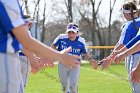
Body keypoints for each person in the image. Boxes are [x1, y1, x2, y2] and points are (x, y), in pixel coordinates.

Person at [0, 0, 81, 93]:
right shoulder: (8, 2)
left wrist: (33, 58)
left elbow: (20, 42)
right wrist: (60, 56)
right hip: (4, 60)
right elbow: (25, 41)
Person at [100, 1, 140, 93]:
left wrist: (110, 58)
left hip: (135, 58)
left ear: (125, 14)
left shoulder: (129, 25)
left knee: (136, 87)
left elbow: (121, 45)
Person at [51, 23, 98, 93]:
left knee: (73, 87)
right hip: (63, 64)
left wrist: (90, 60)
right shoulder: (61, 37)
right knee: (65, 87)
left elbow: (85, 52)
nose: (71, 34)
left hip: (75, 65)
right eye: (69, 32)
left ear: (77, 33)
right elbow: (53, 45)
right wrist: (50, 55)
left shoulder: (81, 41)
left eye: (73, 32)